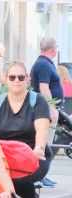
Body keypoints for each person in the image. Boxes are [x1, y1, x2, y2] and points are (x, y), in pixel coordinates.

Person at [0, 61, 53, 198]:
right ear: (5, 79)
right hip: (2, 158)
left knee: (19, 180)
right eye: (12, 77)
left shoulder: (37, 101)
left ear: (27, 79)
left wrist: (39, 148)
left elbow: (42, 128)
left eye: (21, 77)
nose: (16, 80)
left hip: (32, 157)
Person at [31, 37, 63, 186]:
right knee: (44, 143)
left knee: (46, 143)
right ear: (52, 49)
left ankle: (42, 175)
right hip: (46, 110)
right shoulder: (44, 65)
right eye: (56, 46)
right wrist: (51, 107)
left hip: (46, 109)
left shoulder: (43, 63)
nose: (56, 49)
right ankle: (39, 176)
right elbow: (44, 88)